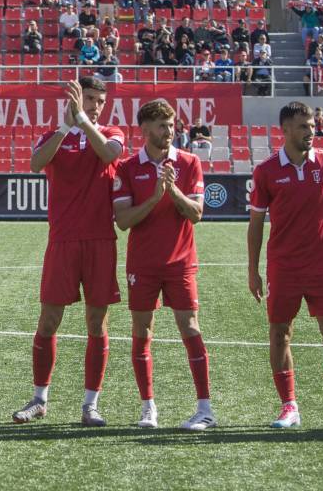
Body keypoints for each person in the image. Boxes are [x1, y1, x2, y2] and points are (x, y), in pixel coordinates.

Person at [14, 77, 125, 427]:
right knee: (48, 321)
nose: (94, 105)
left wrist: (85, 121)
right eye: (88, 98)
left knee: (96, 323)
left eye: (99, 101)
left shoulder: (112, 132)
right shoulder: (53, 137)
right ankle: (39, 399)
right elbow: (35, 164)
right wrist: (67, 124)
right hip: (62, 241)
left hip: (99, 240)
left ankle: (90, 404)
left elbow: (109, 153)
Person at [248, 101, 323, 428]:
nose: (311, 132)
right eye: (303, 126)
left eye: (313, 126)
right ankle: (289, 407)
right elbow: (255, 223)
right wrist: (252, 270)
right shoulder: (266, 171)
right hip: (283, 268)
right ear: (284, 130)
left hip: (322, 267)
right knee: (280, 333)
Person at [112, 100, 214, 430]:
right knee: (142, 333)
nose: (168, 131)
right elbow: (123, 221)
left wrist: (172, 191)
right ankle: (148, 407)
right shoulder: (127, 168)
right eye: (161, 125)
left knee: (191, 328)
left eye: (171, 125)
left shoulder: (189, 162)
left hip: (181, 263)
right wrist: (155, 197)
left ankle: (204, 409)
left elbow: (197, 214)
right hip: (142, 264)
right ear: (144, 130)